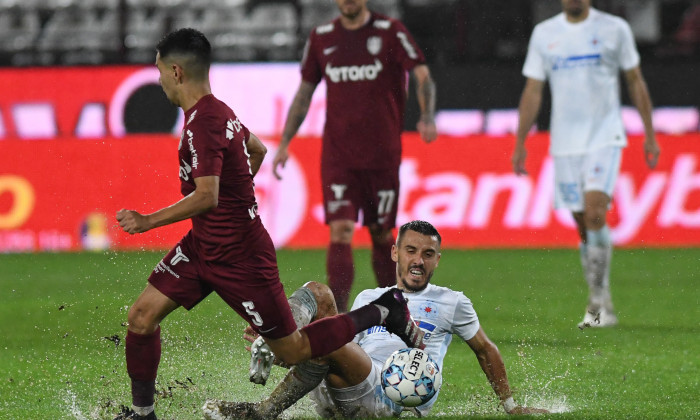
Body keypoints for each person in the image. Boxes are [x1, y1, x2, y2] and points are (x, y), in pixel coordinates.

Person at [113, 28, 425, 420]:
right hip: (203, 246)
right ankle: (143, 415)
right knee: (141, 317)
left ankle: (384, 309)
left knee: (291, 350)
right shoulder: (218, 112)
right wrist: (237, 197)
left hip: (241, 256)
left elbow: (207, 196)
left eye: (159, 72)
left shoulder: (201, 125)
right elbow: (255, 149)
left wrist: (147, 221)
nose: (159, 81)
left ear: (176, 71)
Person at [203, 221, 549, 419]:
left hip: (390, 394)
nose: (418, 261)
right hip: (347, 385)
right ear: (395, 253)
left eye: (428, 254)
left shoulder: (453, 302)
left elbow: (485, 350)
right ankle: (279, 335)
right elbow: (339, 354)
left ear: (437, 260)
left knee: (330, 341)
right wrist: (292, 350)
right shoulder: (370, 298)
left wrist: (511, 406)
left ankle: (264, 408)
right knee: (319, 293)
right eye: (411, 251)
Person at [272, 0, 438, 313]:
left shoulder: (389, 32)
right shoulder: (322, 37)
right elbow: (305, 91)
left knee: (379, 232)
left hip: (381, 155)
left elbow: (422, 73)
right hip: (339, 155)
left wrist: (427, 115)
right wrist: (285, 142)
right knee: (341, 230)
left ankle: (393, 309)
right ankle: (336, 317)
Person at [512, 0, 661, 328]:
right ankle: (602, 298)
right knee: (582, 223)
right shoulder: (545, 33)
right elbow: (533, 89)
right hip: (565, 143)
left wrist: (650, 133)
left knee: (595, 212)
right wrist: (521, 140)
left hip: (604, 137)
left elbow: (635, 80)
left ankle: (596, 306)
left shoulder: (614, 29)